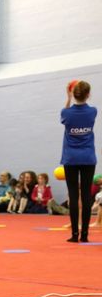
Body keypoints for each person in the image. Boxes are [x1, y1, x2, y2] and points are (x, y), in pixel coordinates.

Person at [61, 80, 97, 242]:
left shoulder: (66, 113)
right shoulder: (93, 112)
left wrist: (68, 97)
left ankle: (74, 234)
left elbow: (66, 112)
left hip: (71, 158)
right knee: (86, 196)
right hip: (88, 157)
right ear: (88, 95)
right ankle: (85, 235)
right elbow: (84, 108)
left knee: (74, 195)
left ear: (73, 94)